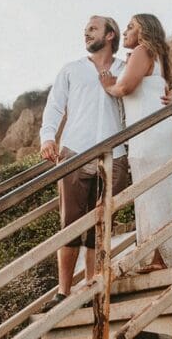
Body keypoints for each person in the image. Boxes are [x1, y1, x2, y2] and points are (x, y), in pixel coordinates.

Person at [39, 16, 130, 309]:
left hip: (114, 154)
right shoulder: (72, 69)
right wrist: (47, 138)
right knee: (71, 223)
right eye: (85, 30)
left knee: (101, 223)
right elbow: (55, 105)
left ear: (110, 34)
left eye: (93, 29)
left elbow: (142, 99)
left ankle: (93, 284)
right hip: (75, 152)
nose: (86, 33)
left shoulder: (125, 69)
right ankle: (63, 292)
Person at [100, 13, 172, 272]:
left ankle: (159, 258)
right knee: (159, 193)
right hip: (157, 132)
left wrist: (108, 85)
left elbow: (125, 88)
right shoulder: (156, 57)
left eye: (130, 27)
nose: (126, 31)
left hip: (149, 135)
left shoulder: (142, 50)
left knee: (152, 193)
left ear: (144, 32)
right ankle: (157, 256)